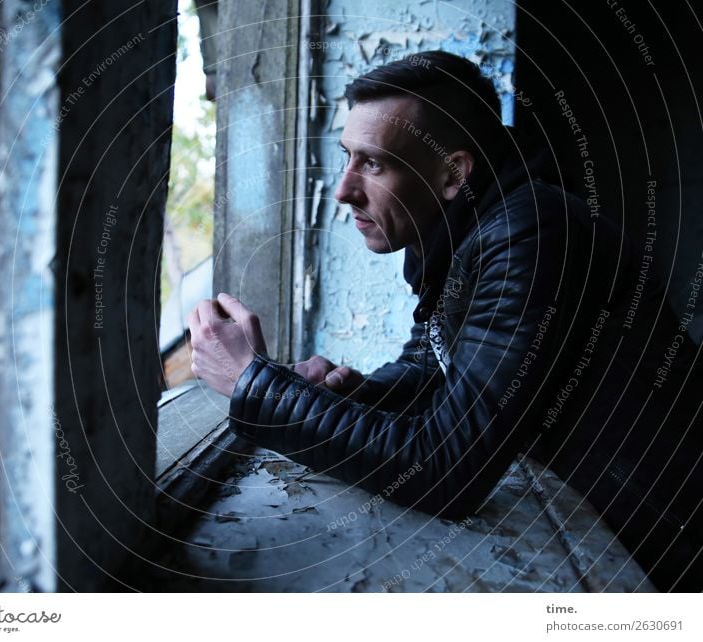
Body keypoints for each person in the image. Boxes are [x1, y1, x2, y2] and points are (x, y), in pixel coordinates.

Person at [187, 51, 703, 592]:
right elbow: (432, 366)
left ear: (454, 172)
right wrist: (347, 392)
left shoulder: (532, 232)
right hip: (603, 524)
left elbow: (445, 470)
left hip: (665, 541)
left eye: (374, 163)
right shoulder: (455, 238)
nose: (343, 189)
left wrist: (253, 383)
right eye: (347, 157)